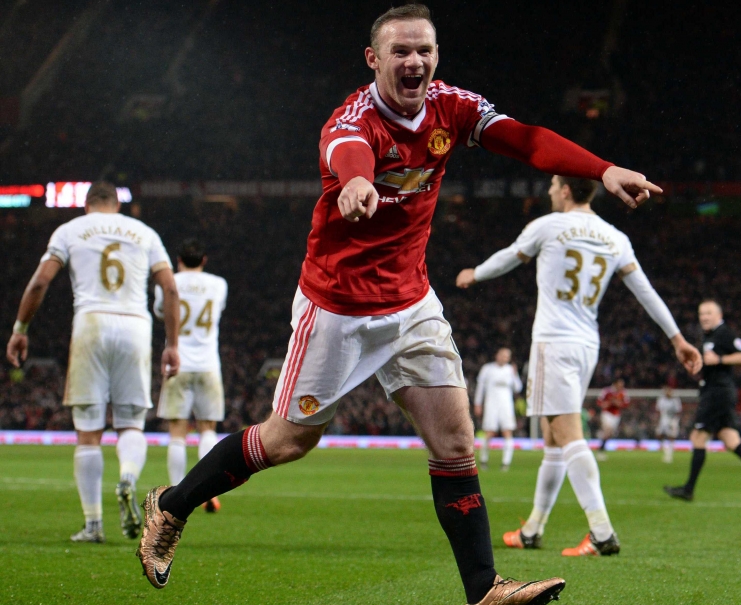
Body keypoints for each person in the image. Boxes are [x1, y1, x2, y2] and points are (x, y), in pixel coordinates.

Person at [136, 5, 665, 602]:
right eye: (400, 52)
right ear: (374, 59)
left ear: (435, 57)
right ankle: (173, 506)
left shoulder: (451, 107)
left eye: (424, 51)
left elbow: (529, 140)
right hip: (337, 307)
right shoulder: (352, 120)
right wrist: (358, 181)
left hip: (411, 304)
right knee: (288, 441)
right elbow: (348, 153)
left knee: (456, 443)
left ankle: (484, 588)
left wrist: (605, 168)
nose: (414, 62)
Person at [456, 175, 702, 557]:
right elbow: (646, 292)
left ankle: (601, 532)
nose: (550, 191)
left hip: (553, 341)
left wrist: (476, 273)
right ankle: (533, 529)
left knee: (567, 433)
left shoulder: (549, 226)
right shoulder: (615, 237)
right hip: (588, 343)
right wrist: (676, 338)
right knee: (553, 440)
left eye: (554, 185)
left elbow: (510, 256)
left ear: (566, 190)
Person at [5, 182, 179, 543]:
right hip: (135, 325)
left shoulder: (70, 230)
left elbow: (39, 283)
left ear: (87, 206)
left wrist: (21, 328)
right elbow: (170, 289)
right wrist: (172, 344)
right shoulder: (144, 232)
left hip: (91, 323)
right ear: (117, 205)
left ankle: (93, 524)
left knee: (88, 432)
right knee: (131, 424)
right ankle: (128, 478)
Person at [665, 300, 741, 503]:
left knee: (698, 437)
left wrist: (720, 360)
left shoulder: (724, 333)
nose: (704, 317)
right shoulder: (709, 336)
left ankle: (688, 489)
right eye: (701, 314)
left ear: (719, 315)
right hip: (715, 391)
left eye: (708, 313)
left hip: (718, 393)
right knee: (730, 438)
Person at [154, 238, 228, 512]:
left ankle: (177, 494)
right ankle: (209, 490)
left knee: (177, 432)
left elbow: (161, 313)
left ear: (178, 259)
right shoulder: (219, 284)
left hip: (178, 363)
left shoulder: (169, 282)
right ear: (204, 260)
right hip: (209, 364)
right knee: (208, 428)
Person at [474, 348, 522, 471]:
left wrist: (515, 374)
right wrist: (478, 403)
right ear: (497, 355)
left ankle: (506, 463)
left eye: (507, 356)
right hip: (491, 405)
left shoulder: (510, 370)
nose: (504, 358)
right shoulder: (487, 369)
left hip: (506, 405)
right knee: (489, 433)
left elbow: (517, 388)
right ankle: (483, 461)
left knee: (507, 432)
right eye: (502, 355)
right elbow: (480, 388)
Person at [595, 378, 629, 461]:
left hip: (616, 415)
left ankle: (601, 445)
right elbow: (599, 401)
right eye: (620, 384)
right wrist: (604, 404)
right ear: (615, 384)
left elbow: (626, 404)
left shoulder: (623, 392)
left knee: (609, 434)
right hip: (607, 413)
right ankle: (600, 451)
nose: (621, 386)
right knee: (608, 430)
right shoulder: (607, 391)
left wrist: (619, 404)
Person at [655, 385, 682, 463]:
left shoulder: (676, 400)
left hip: (673, 419)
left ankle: (669, 454)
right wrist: (658, 420)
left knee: (671, 436)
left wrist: (674, 421)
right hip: (663, 419)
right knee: (659, 435)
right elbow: (658, 411)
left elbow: (678, 411)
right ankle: (666, 450)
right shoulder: (661, 400)